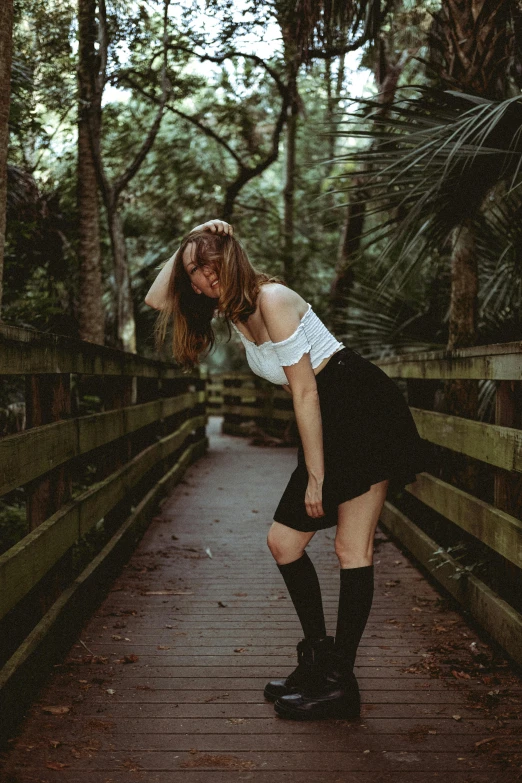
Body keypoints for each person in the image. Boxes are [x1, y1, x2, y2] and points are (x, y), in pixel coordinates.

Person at [145, 218, 428, 721]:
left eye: (205, 268)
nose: (197, 282)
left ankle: (340, 683)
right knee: (285, 542)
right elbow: (156, 300)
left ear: (228, 258)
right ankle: (321, 663)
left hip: (360, 408)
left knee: (350, 547)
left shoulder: (271, 299)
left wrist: (316, 475)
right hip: (330, 415)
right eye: (192, 275)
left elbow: (305, 390)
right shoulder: (232, 310)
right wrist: (189, 239)